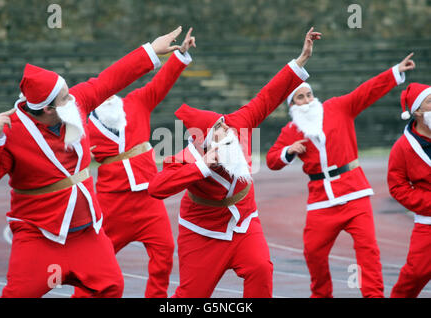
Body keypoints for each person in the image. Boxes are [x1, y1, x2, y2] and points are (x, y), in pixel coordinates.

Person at [0, 27, 185, 298]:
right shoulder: (12, 131)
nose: (72, 98)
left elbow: (109, 79)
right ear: (47, 109)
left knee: (111, 287)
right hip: (39, 235)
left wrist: (151, 50)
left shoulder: (75, 103)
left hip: (86, 233)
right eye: (65, 96)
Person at [148, 28, 321, 298]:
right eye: (218, 129)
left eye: (223, 123)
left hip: (245, 221)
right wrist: (202, 166)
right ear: (202, 141)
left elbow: (268, 96)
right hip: (201, 233)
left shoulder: (237, 124)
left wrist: (302, 59)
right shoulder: (185, 158)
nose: (226, 130)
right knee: (190, 296)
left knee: (261, 269)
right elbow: (156, 188)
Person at [265, 53, 415, 298]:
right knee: (313, 253)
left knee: (368, 250)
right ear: (292, 105)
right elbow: (272, 160)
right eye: (299, 98)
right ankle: (321, 294)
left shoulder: (337, 107)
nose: (306, 100)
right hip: (321, 201)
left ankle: (373, 295)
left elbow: (366, 92)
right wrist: (287, 151)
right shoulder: (291, 130)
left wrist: (394, 72)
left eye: (309, 95)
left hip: (355, 193)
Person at [73, 27, 195, 298]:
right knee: (97, 260)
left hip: (149, 197)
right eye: (102, 94)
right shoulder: (83, 124)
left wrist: (181, 55)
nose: (109, 95)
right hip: (112, 201)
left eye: (111, 91)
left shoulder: (136, 102)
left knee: (164, 252)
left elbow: (160, 83)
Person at [388, 82, 431, 298]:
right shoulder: (402, 148)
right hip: (428, 225)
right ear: (417, 112)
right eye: (430, 102)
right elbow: (397, 187)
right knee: (413, 276)